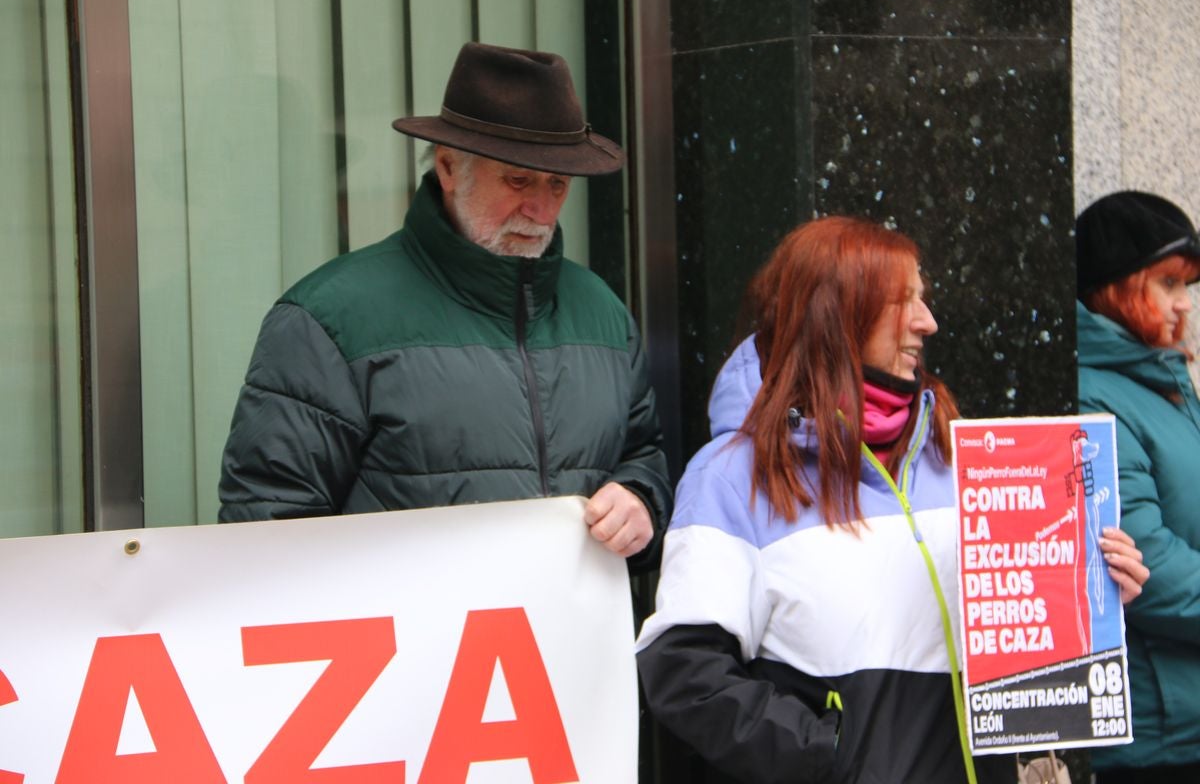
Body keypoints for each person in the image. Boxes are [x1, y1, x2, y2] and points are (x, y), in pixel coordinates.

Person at [635, 216, 1149, 783]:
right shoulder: (734, 477)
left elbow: (1016, 631)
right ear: (838, 314)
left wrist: (1088, 590)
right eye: (903, 303)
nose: (927, 323)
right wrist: (829, 753)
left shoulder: (961, 458)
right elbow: (684, 671)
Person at [217, 41, 671, 570]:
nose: (542, 209)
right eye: (519, 179)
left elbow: (643, 456)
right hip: (403, 649)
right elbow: (267, 533)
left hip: (565, 646)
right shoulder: (328, 319)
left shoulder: (602, 313)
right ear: (450, 167)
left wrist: (641, 501)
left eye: (558, 184)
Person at [1076, 190, 1200, 783]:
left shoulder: (1163, 380)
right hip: (1158, 736)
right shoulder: (1093, 395)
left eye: (1186, 288)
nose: (1183, 305)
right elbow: (1142, 559)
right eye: (1167, 284)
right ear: (1116, 290)